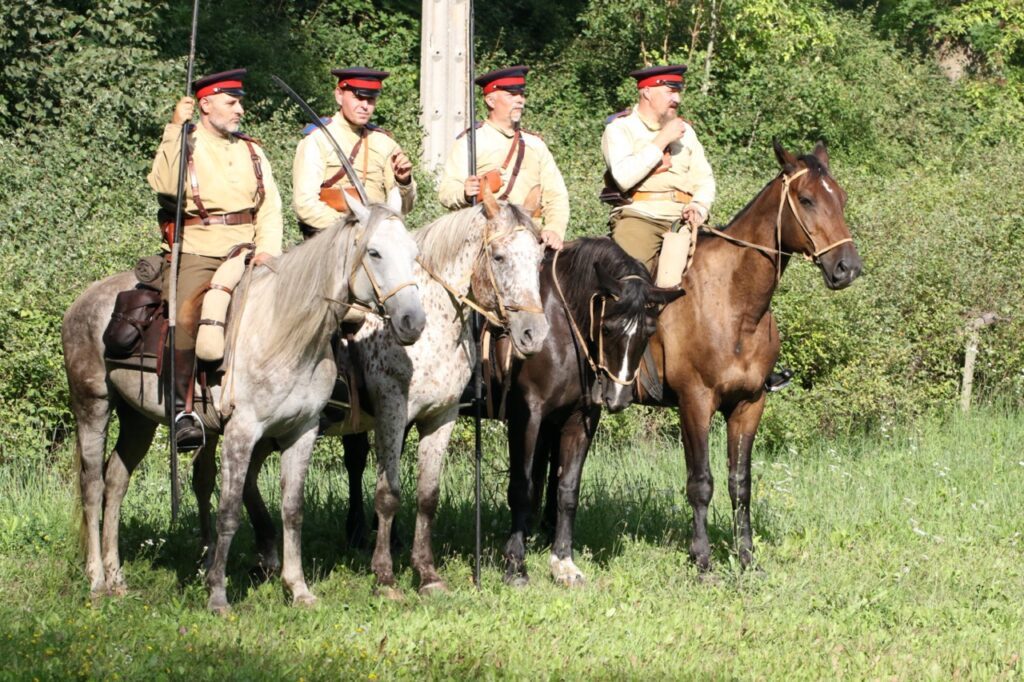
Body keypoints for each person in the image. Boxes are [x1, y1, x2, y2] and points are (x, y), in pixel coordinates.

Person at [148, 68, 284, 450]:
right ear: (205, 105)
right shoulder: (186, 142)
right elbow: (162, 183)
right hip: (199, 249)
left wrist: (269, 249)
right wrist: (175, 127)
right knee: (185, 315)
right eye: (231, 102)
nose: (240, 109)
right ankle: (182, 412)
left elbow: (270, 206)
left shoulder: (252, 150)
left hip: (251, 251)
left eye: (239, 101)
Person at [438, 65, 569, 250]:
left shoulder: (535, 145)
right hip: (486, 239)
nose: (520, 100)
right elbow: (446, 192)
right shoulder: (471, 141)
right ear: (491, 100)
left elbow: (556, 195)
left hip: (529, 238)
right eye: (511, 95)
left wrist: (554, 229)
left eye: (521, 94)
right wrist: (464, 193)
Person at [601, 64, 715, 275]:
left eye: (678, 92)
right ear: (647, 92)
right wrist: (662, 139)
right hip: (640, 217)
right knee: (629, 282)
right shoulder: (620, 129)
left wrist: (699, 206)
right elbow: (623, 177)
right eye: (670, 91)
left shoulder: (687, 132)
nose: (677, 99)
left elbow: (704, 178)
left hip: (686, 220)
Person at [292, 67, 415, 238]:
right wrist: (353, 227)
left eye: (371, 99)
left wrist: (404, 182)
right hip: (329, 240)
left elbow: (405, 208)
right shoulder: (318, 139)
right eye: (358, 97)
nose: (365, 106)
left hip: (377, 240)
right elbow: (305, 205)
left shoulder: (386, 143)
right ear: (339, 95)